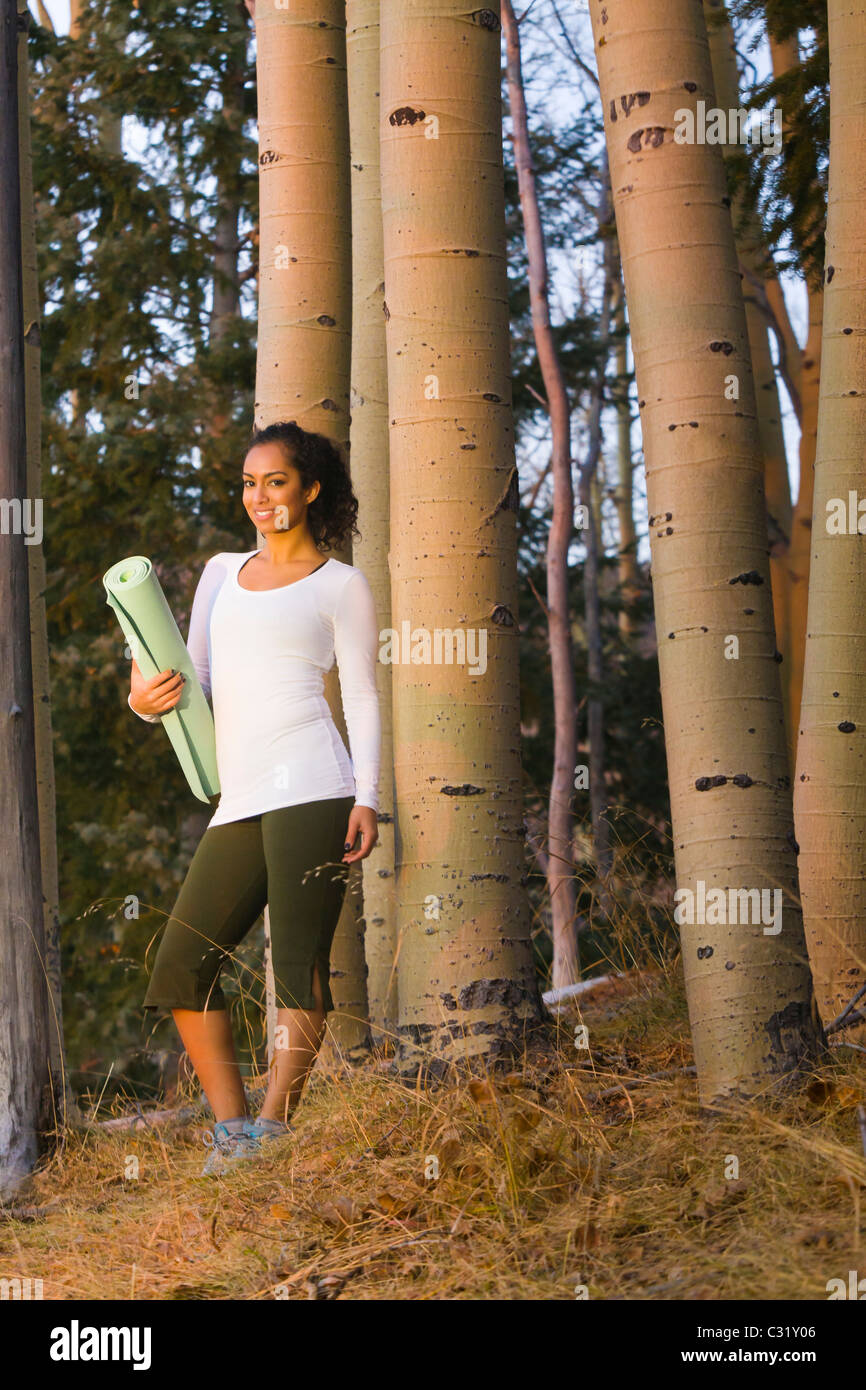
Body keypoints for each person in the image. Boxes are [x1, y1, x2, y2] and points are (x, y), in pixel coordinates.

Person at [128, 421, 380, 1174]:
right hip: (238, 796)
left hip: (314, 785)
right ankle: (231, 1130)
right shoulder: (218, 573)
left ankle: (272, 1128)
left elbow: (363, 698)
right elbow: (189, 678)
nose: (260, 496)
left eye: (276, 481)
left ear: (310, 489)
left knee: (300, 963)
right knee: (180, 965)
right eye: (249, 482)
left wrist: (367, 796)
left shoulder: (342, 584)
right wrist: (144, 699)